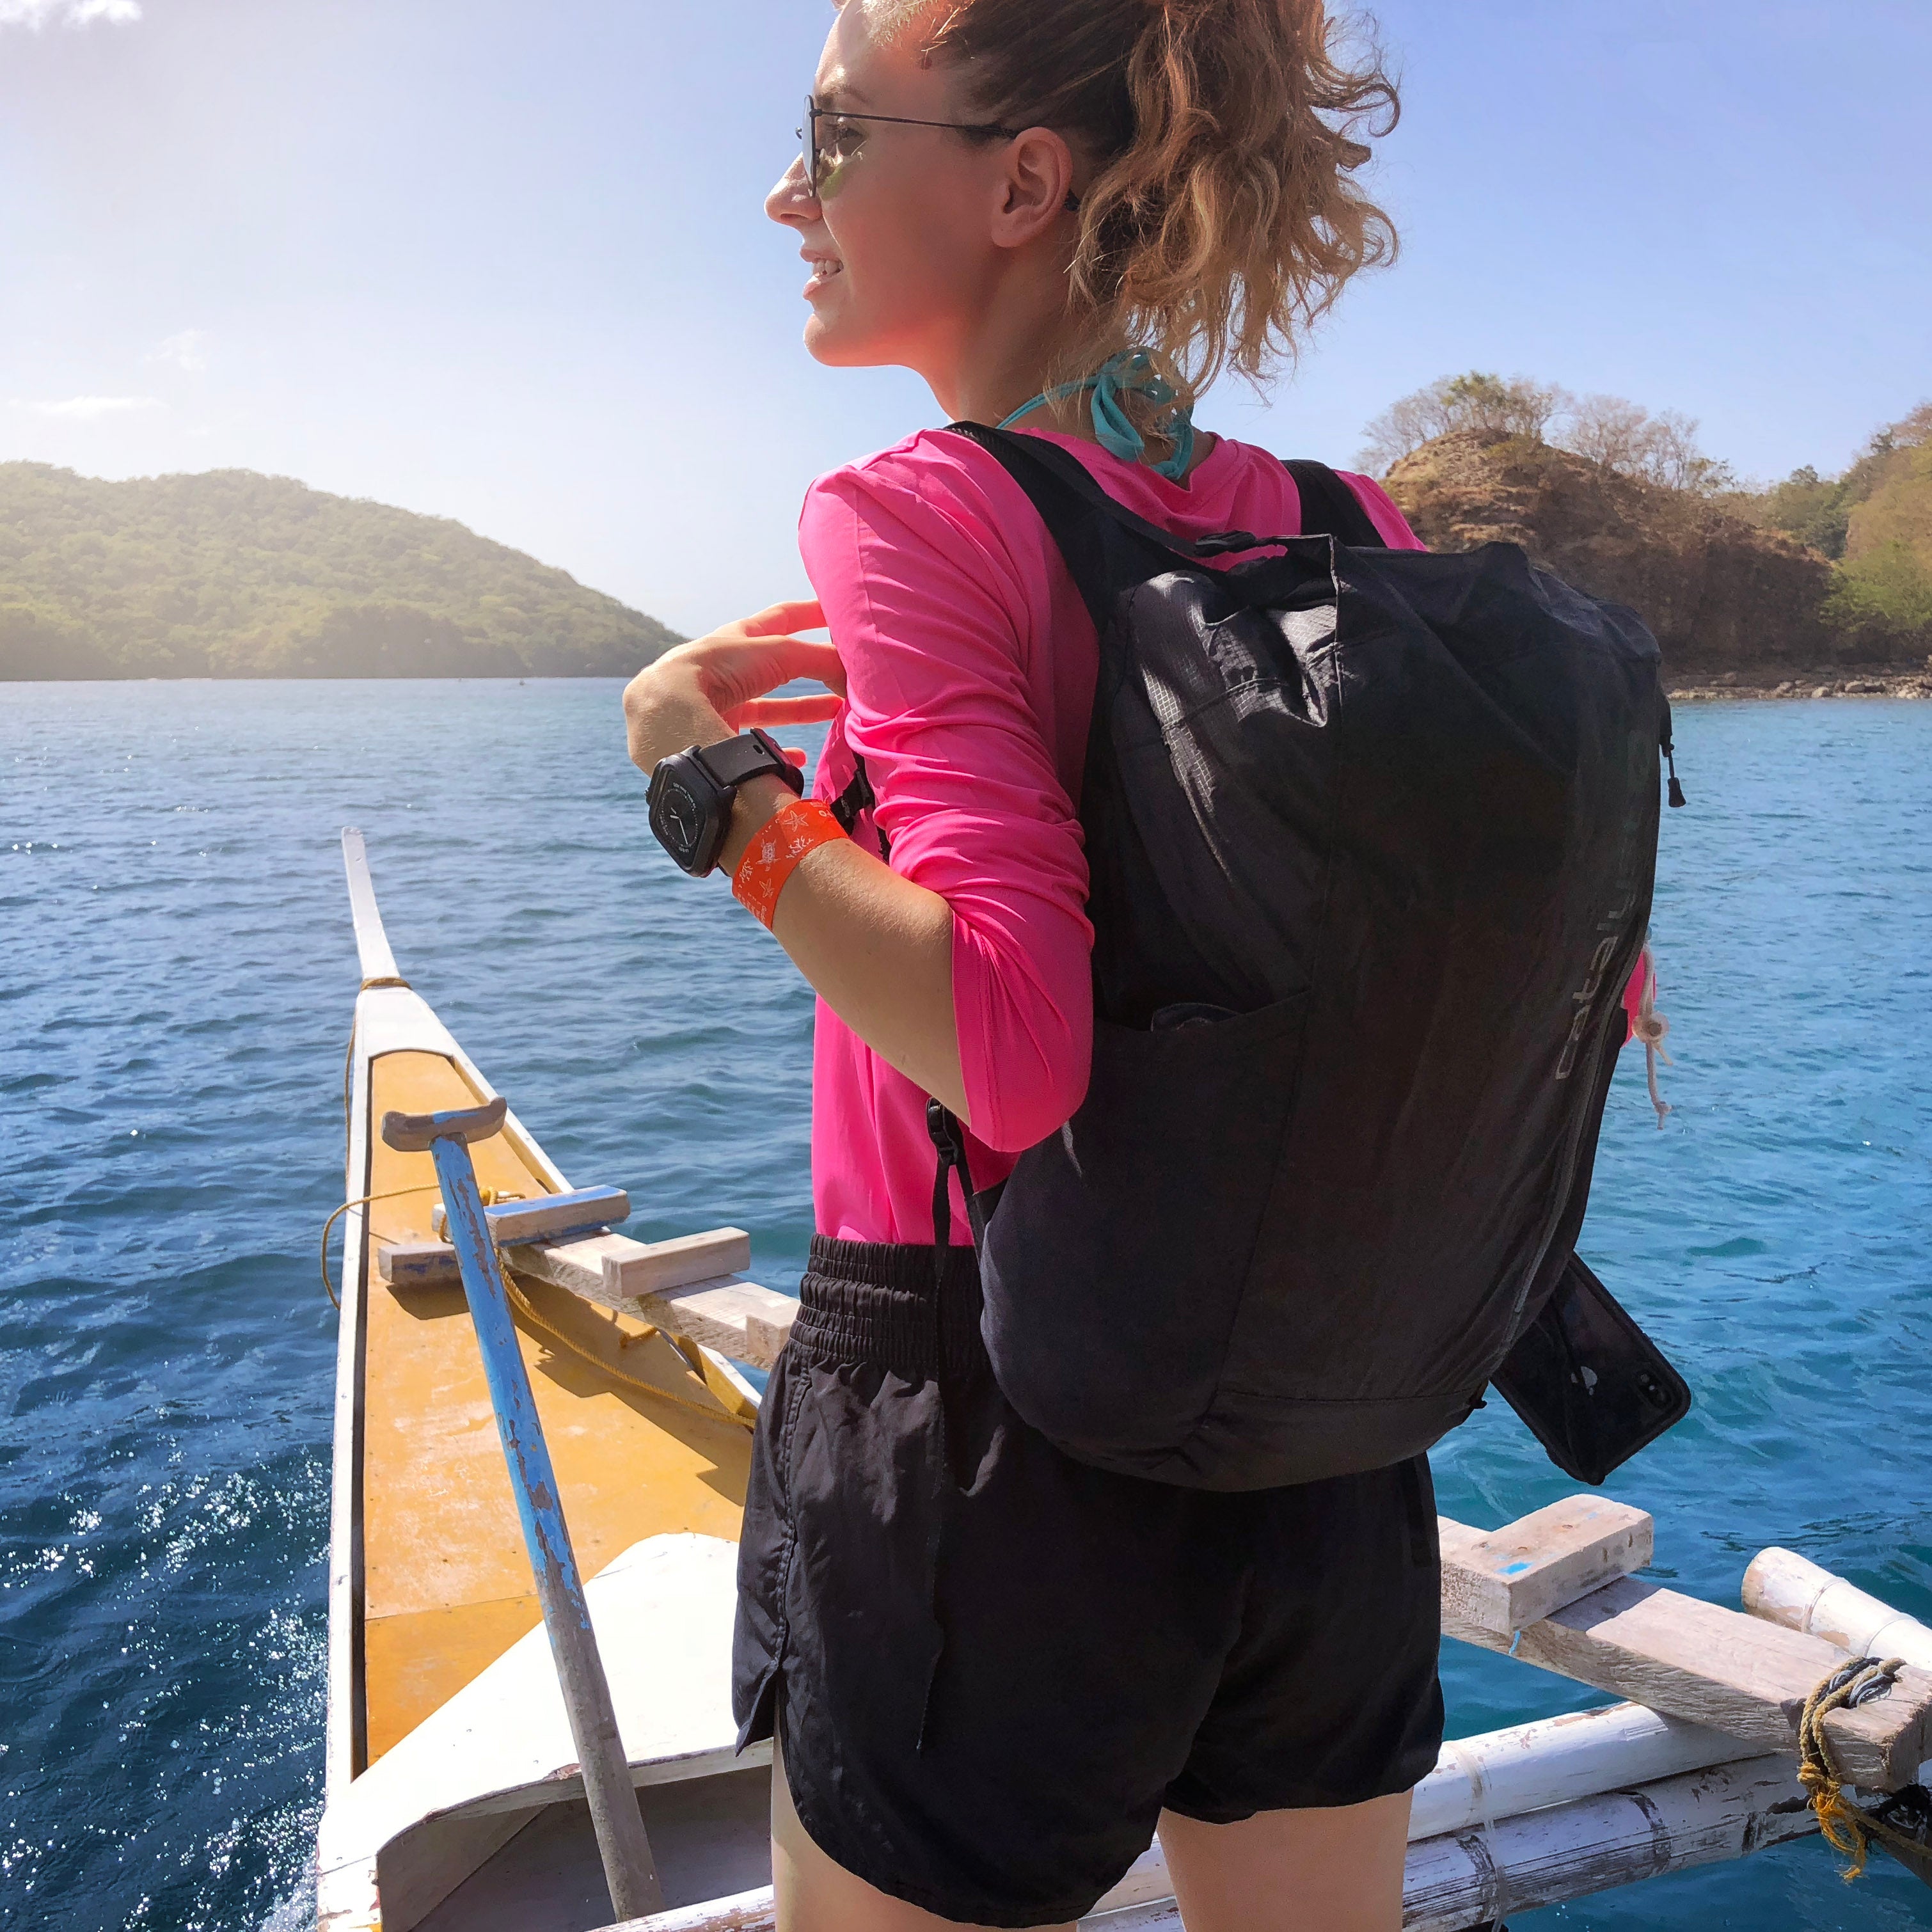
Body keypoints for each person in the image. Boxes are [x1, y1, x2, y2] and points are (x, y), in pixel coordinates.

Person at [622, 3, 1439, 1926]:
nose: (779, 195)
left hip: (993, 1439)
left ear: (1020, 182)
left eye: (829, 140)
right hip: (1324, 1444)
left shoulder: (918, 509)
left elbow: (1008, 1049)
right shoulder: (1354, 526)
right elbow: (1581, 987)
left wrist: (715, 785)